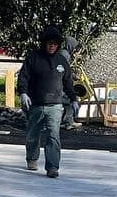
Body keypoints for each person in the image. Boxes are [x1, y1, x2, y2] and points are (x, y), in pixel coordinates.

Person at [17, 25, 75, 178]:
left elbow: (68, 82)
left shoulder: (61, 61)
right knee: (32, 135)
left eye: (55, 44)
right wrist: (23, 93)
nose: (52, 47)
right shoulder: (33, 58)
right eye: (49, 44)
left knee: (53, 136)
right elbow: (23, 77)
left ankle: (52, 167)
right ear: (44, 43)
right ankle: (32, 158)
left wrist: (74, 99)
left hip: (55, 105)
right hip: (35, 103)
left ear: (58, 45)